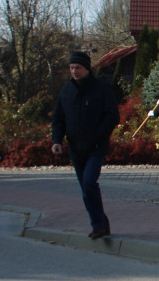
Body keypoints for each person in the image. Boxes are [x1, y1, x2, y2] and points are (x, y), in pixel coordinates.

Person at [51, 51, 119, 239]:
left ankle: (98, 225)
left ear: (87, 68)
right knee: (86, 189)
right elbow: (58, 118)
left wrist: (99, 135)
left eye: (78, 68)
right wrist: (56, 140)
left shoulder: (101, 89)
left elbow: (112, 115)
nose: (74, 71)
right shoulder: (66, 90)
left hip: (96, 147)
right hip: (76, 148)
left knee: (89, 183)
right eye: (71, 68)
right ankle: (101, 223)